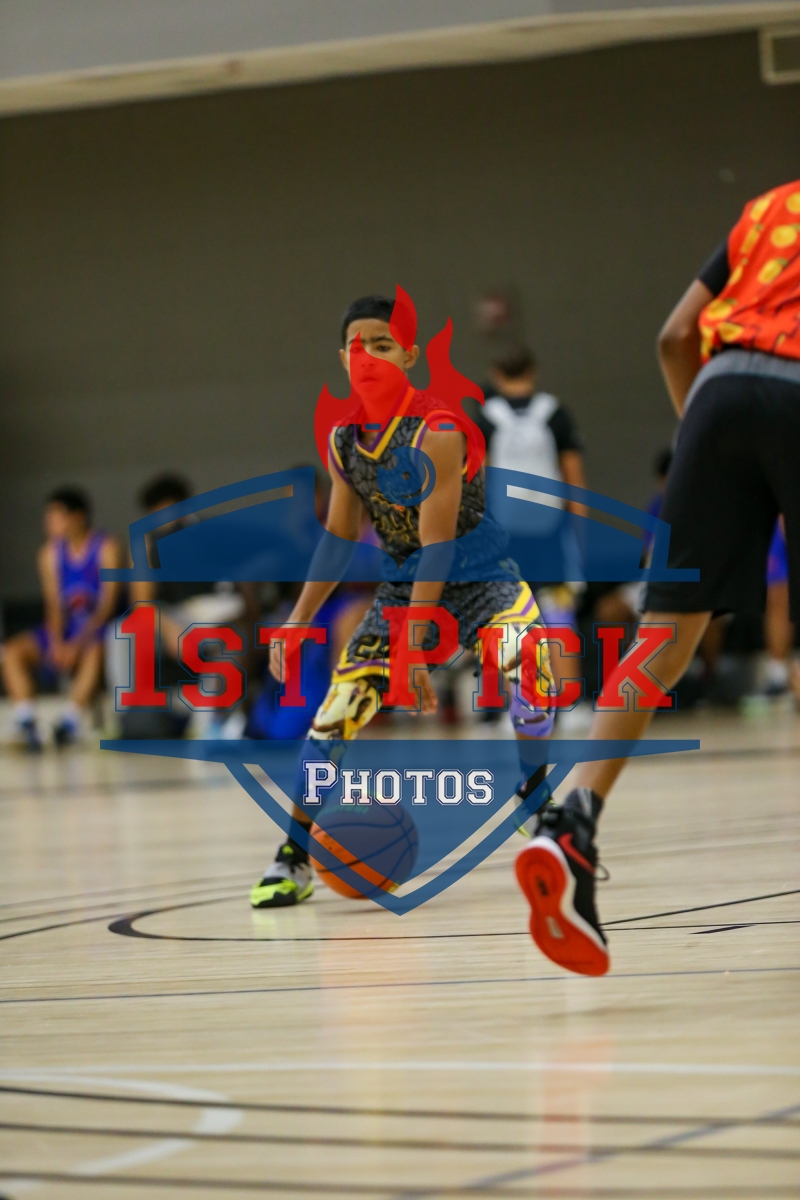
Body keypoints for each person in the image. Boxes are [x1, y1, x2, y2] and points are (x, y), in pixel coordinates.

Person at [516, 180, 800, 977]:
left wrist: (718, 457)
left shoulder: (770, 208)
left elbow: (676, 335)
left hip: (714, 395)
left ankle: (574, 820)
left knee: (661, 640)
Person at [250, 294, 556, 908]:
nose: (367, 357)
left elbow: (438, 546)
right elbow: (339, 539)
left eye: (382, 345)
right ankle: (294, 854)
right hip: (401, 590)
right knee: (333, 717)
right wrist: (298, 619)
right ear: (342, 359)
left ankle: (534, 796)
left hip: (482, 579)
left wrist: (413, 650)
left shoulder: (436, 431)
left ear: (410, 356)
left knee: (531, 662)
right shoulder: (343, 440)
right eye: (356, 347)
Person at [475, 344, 588, 700]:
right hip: (551, 529)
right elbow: (574, 479)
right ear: (533, 371)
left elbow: (478, 482)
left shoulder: (486, 418)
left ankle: (519, 703)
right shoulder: (555, 414)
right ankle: (570, 701)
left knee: (508, 617)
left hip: (505, 533)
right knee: (559, 611)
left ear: (496, 374)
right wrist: (579, 532)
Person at [2, 487, 121, 749]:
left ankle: (69, 722)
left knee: (95, 650)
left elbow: (107, 606)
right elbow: (54, 606)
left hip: (95, 629)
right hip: (65, 630)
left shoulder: (106, 547)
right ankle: (26, 721)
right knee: (12, 652)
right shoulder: (49, 554)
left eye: (55, 517)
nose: (48, 524)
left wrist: (78, 643)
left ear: (77, 517)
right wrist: (56, 642)